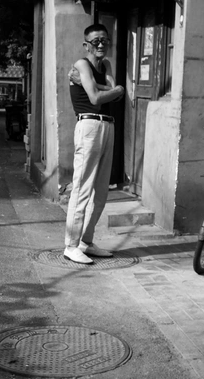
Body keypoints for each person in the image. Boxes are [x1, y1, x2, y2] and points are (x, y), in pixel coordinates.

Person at [63, 24, 125, 264]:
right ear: (86, 45)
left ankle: (86, 242)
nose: (101, 44)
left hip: (108, 126)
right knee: (82, 188)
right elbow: (97, 99)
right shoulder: (81, 65)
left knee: (101, 191)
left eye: (104, 40)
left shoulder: (106, 65)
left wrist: (101, 86)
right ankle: (71, 245)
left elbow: (115, 93)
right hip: (88, 125)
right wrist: (114, 89)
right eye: (96, 41)